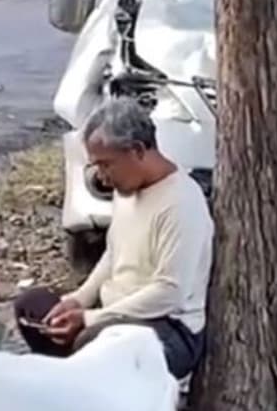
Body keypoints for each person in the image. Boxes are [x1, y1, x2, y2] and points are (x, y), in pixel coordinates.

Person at [13, 98, 213, 380]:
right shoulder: (126, 190)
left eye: (107, 165)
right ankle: (73, 377)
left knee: (94, 344)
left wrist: (89, 319)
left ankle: (79, 379)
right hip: (114, 315)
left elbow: (169, 292)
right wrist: (79, 300)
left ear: (137, 151)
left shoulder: (181, 203)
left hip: (168, 327)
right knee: (32, 306)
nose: (103, 178)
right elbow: (114, 252)